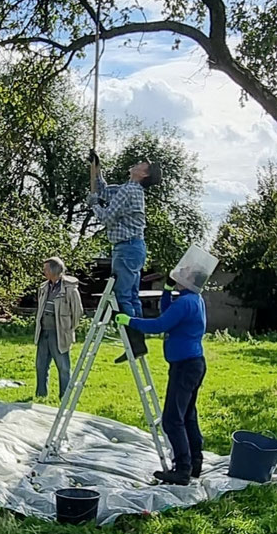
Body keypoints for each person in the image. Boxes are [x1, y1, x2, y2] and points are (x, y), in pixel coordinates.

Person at [116, 264, 208, 486]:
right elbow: (167, 311)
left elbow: (159, 324)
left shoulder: (186, 302)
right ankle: (195, 462)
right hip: (192, 363)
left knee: (172, 419)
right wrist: (167, 289)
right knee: (187, 415)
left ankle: (182, 469)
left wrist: (130, 321)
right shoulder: (193, 299)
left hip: (185, 366)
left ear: (189, 280)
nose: (177, 277)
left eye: (181, 275)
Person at [89, 155, 159, 360]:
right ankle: (138, 340)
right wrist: (97, 168)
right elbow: (104, 191)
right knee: (132, 296)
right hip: (134, 247)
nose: (137, 164)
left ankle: (134, 342)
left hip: (127, 248)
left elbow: (106, 217)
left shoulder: (129, 190)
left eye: (142, 165)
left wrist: (94, 204)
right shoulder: (129, 189)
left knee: (123, 296)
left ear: (143, 174)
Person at [32, 257, 83, 400]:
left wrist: (68, 329)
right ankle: (40, 395)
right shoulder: (43, 287)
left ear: (54, 270)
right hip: (43, 332)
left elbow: (77, 312)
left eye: (46, 269)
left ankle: (65, 396)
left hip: (59, 333)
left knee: (63, 367)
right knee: (41, 366)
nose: (44, 272)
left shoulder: (70, 288)